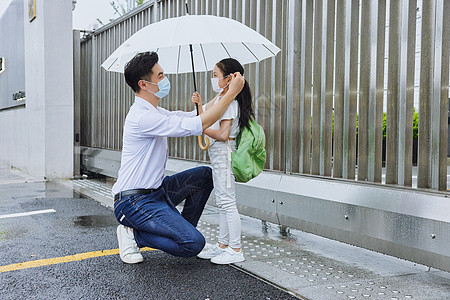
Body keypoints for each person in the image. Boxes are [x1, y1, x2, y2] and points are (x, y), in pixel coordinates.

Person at [112, 52, 245, 264]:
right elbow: (197, 125)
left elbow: (191, 116)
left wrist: (223, 93)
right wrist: (231, 95)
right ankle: (132, 234)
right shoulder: (143, 117)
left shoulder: (155, 111)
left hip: (157, 193)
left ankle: (179, 230)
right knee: (193, 244)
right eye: (161, 76)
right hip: (134, 202)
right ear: (144, 84)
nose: (165, 80)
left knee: (204, 175)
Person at [192, 58, 254, 264]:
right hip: (219, 156)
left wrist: (201, 128)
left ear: (229, 79)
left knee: (227, 202)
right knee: (222, 201)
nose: (213, 78)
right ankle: (222, 245)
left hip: (224, 155)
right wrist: (199, 105)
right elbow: (205, 116)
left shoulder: (229, 102)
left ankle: (236, 249)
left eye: (215, 75)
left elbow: (223, 134)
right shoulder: (221, 98)